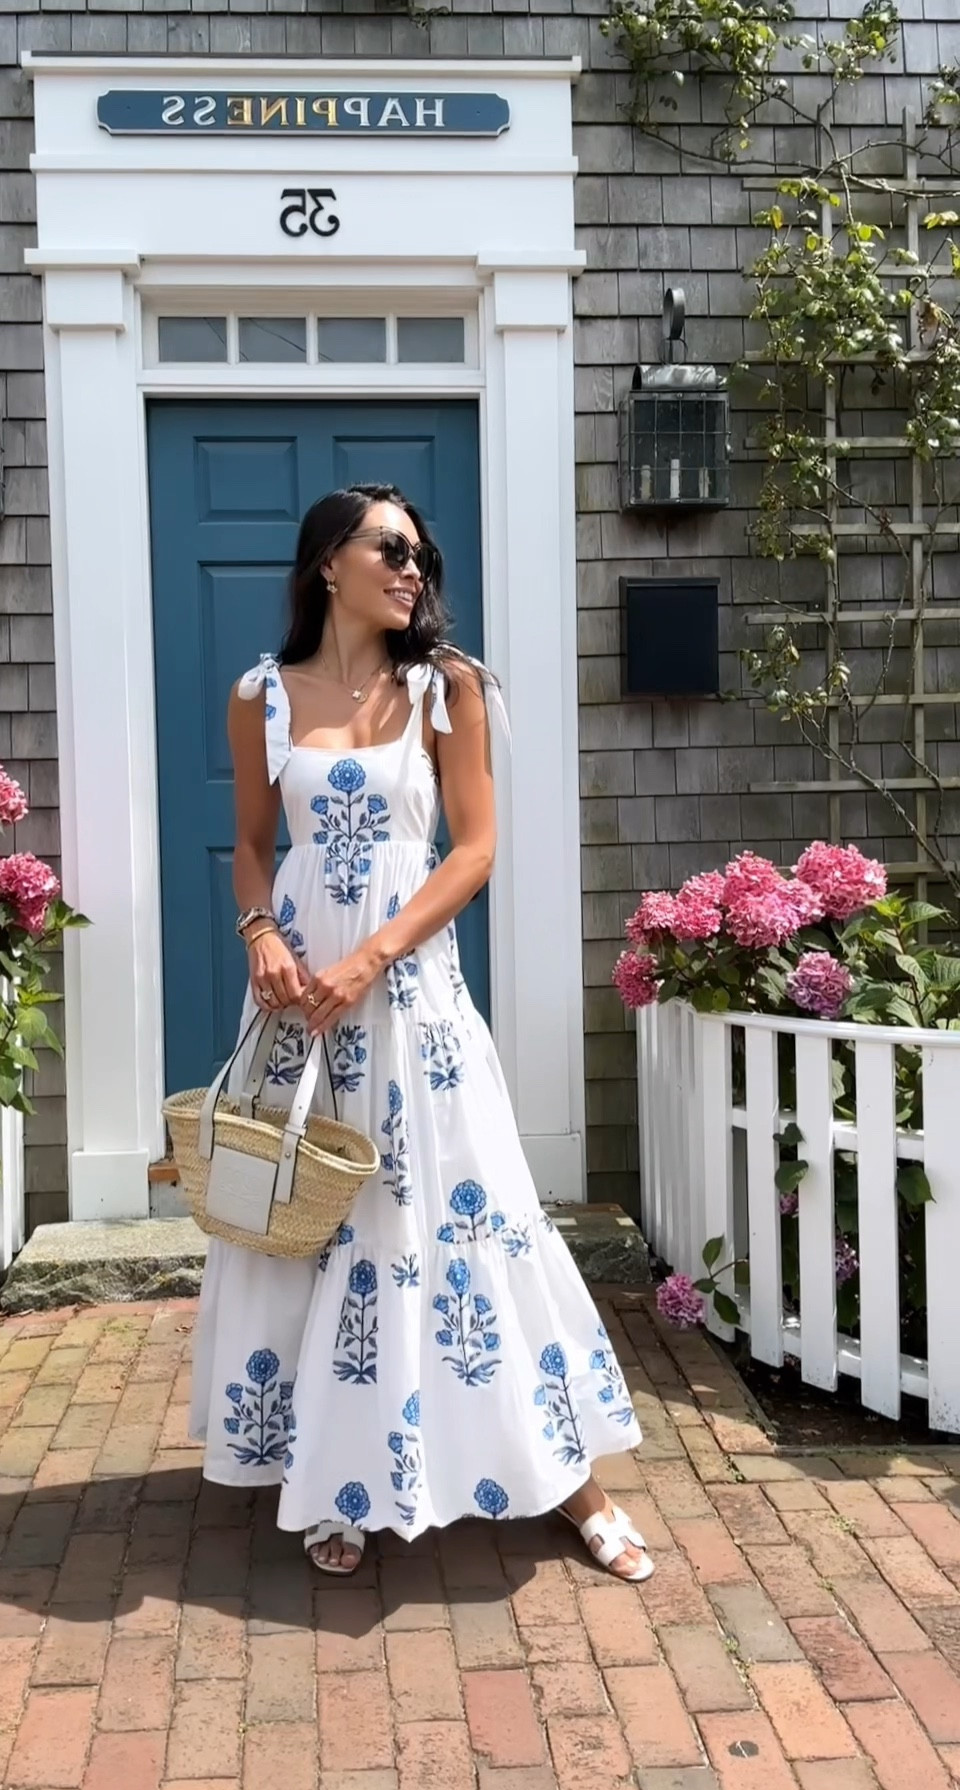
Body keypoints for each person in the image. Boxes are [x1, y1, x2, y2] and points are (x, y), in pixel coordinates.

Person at [188, 483, 651, 1582]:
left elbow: (474, 849)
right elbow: (253, 843)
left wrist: (372, 956)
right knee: (307, 1216)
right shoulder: (258, 696)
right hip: (300, 997)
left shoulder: (446, 688)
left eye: (419, 553)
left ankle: (568, 1482)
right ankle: (335, 1479)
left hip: (409, 995)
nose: (412, 569)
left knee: (463, 1209)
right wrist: (259, 928)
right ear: (324, 565)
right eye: (389, 548)